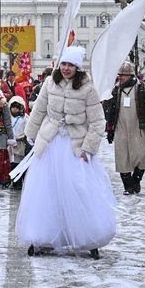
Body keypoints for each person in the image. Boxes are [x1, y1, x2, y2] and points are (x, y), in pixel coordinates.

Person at [16, 45, 115, 259]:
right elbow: (39, 110)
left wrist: (88, 148)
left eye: (71, 65)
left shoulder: (88, 88)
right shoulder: (50, 83)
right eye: (64, 64)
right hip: (50, 144)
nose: (66, 68)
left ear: (78, 67)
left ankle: (87, 236)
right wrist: (30, 132)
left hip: (75, 146)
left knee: (78, 190)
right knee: (46, 191)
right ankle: (43, 235)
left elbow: (98, 122)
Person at [103, 61, 145, 195]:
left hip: (138, 127)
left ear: (130, 76)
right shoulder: (116, 91)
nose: (121, 77)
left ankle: (136, 180)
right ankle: (128, 187)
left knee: (142, 156)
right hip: (121, 128)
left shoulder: (142, 89)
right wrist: (109, 128)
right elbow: (111, 111)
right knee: (122, 157)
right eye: (120, 74)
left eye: (124, 75)